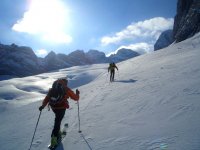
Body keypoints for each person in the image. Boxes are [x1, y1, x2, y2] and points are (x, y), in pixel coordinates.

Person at [39, 78, 80, 147]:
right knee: (57, 122)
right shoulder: (66, 89)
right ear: (65, 83)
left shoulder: (52, 89)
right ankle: (53, 140)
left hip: (54, 108)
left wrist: (43, 106)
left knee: (57, 120)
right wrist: (77, 94)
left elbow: (47, 98)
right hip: (62, 108)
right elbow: (76, 98)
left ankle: (57, 132)